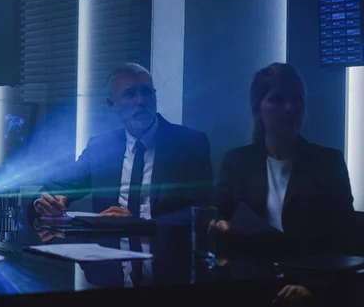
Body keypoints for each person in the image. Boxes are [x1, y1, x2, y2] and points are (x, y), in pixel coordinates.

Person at [34, 62, 213, 219]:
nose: (141, 101)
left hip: (164, 250)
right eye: (130, 94)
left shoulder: (189, 143)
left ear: (155, 96)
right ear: (112, 105)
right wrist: (49, 202)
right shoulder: (100, 147)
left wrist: (140, 224)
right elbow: (56, 187)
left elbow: (201, 211)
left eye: (146, 92)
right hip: (109, 251)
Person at [214, 62, 354, 255]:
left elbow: (344, 237)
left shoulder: (328, 163)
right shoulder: (237, 163)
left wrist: (315, 285)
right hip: (249, 278)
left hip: (310, 276)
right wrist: (220, 225)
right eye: (277, 100)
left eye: (296, 99)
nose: (289, 108)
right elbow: (221, 216)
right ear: (257, 110)